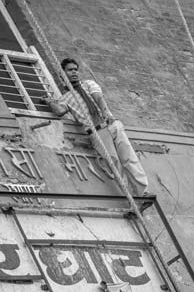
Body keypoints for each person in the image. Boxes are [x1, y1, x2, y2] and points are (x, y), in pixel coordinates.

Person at [42, 58, 153, 212]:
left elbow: (98, 98)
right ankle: (133, 201)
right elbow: (60, 111)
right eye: (70, 70)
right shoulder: (65, 98)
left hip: (111, 124)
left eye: (75, 69)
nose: (74, 72)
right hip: (97, 132)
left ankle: (143, 193)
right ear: (62, 74)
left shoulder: (88, 84)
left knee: (129, 158)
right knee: (115, 166)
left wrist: (106, 113)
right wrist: (49, 102)